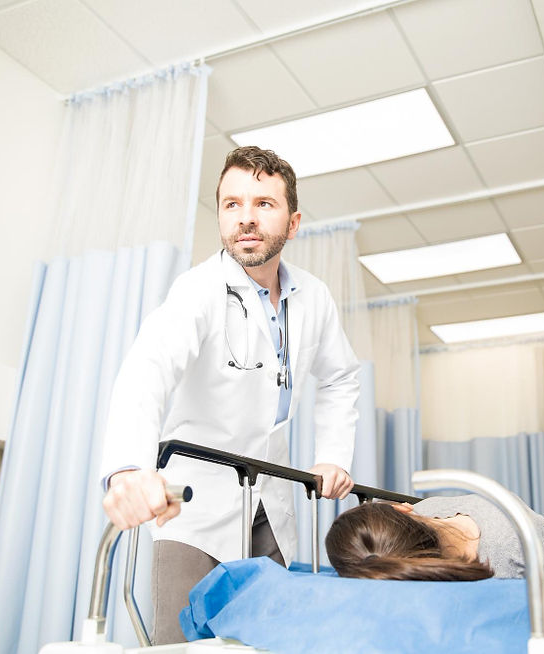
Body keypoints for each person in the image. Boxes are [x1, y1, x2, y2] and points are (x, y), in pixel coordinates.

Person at [100, 146, 360, 644]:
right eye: (231, 204)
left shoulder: (315, 297)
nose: (245, 218)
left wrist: (332, 456)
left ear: (294, 221)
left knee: (275, 642)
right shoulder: (198, 290)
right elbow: (146, 369)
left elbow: (341, 377)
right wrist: (129, 468)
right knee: (184, 642)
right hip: (191, 504)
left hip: (272, 500)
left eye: (264, 204)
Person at [324, 495, 544, 581]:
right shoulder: (421, 510)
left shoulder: (517, 549)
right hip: (499, 521)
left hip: (536, 532)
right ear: (404, 510)